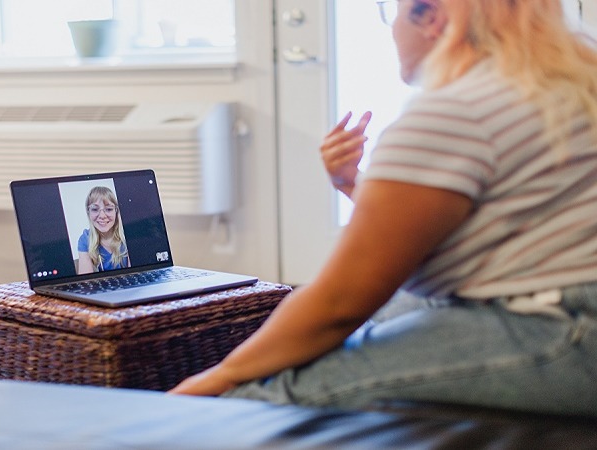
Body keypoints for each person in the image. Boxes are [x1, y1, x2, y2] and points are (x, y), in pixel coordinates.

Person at [170, 0, 597, 415]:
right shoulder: (561, 86)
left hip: (564, 329)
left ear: (429, 15)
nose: (390, 28)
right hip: (571, 308)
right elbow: (482, 232)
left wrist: (223, 377)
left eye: (389, 11)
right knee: (373, 318)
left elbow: (341, 301)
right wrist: (353, 186)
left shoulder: (455, 112)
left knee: (268, 395)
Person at [77, 186, 130, 274]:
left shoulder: (128, 234)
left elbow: (135, 274)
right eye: (95, 209)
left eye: (109, 209)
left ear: (116, 211)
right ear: (88, 212)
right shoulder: (85, 239)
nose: (102, 216)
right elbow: (85, 282)